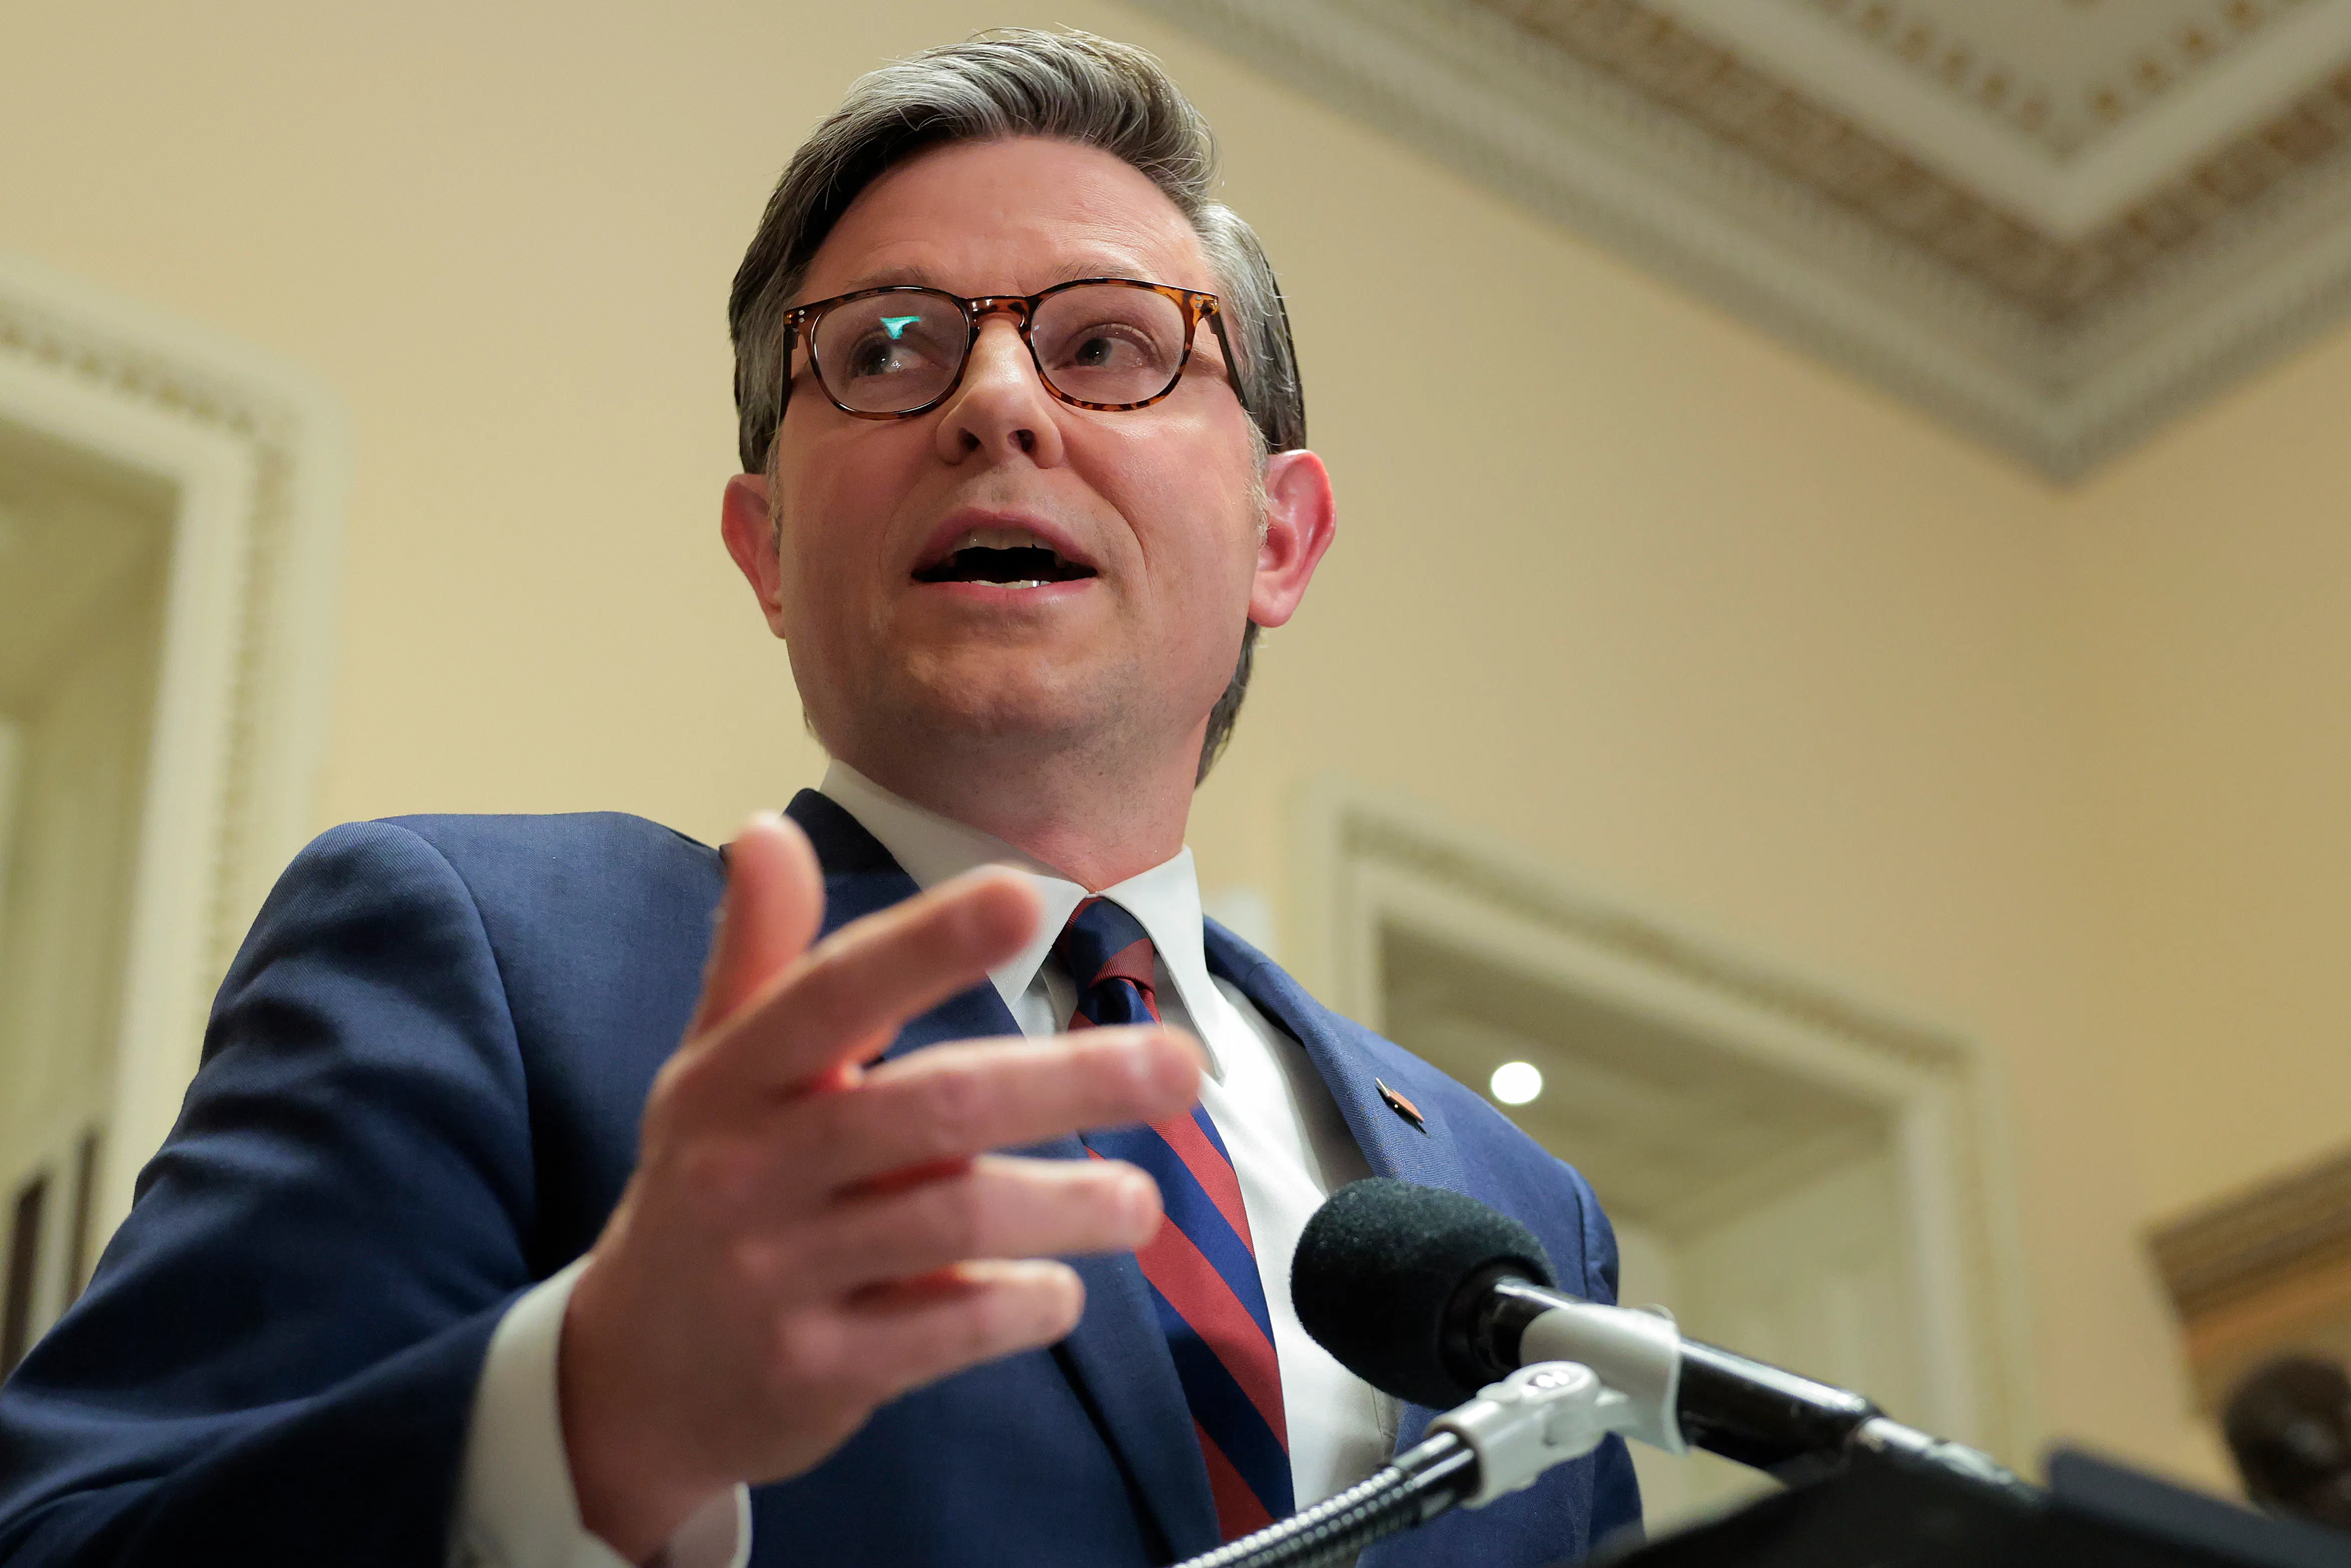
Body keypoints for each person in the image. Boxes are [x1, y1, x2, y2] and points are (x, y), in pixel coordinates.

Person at [0, 30, 1640, 1568]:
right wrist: (576, 1423)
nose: (997, 403)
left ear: (1280, 536)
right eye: (888, 350)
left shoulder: (1514, 1214)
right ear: (767, 547)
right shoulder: (480, 954)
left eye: (1108, 346)